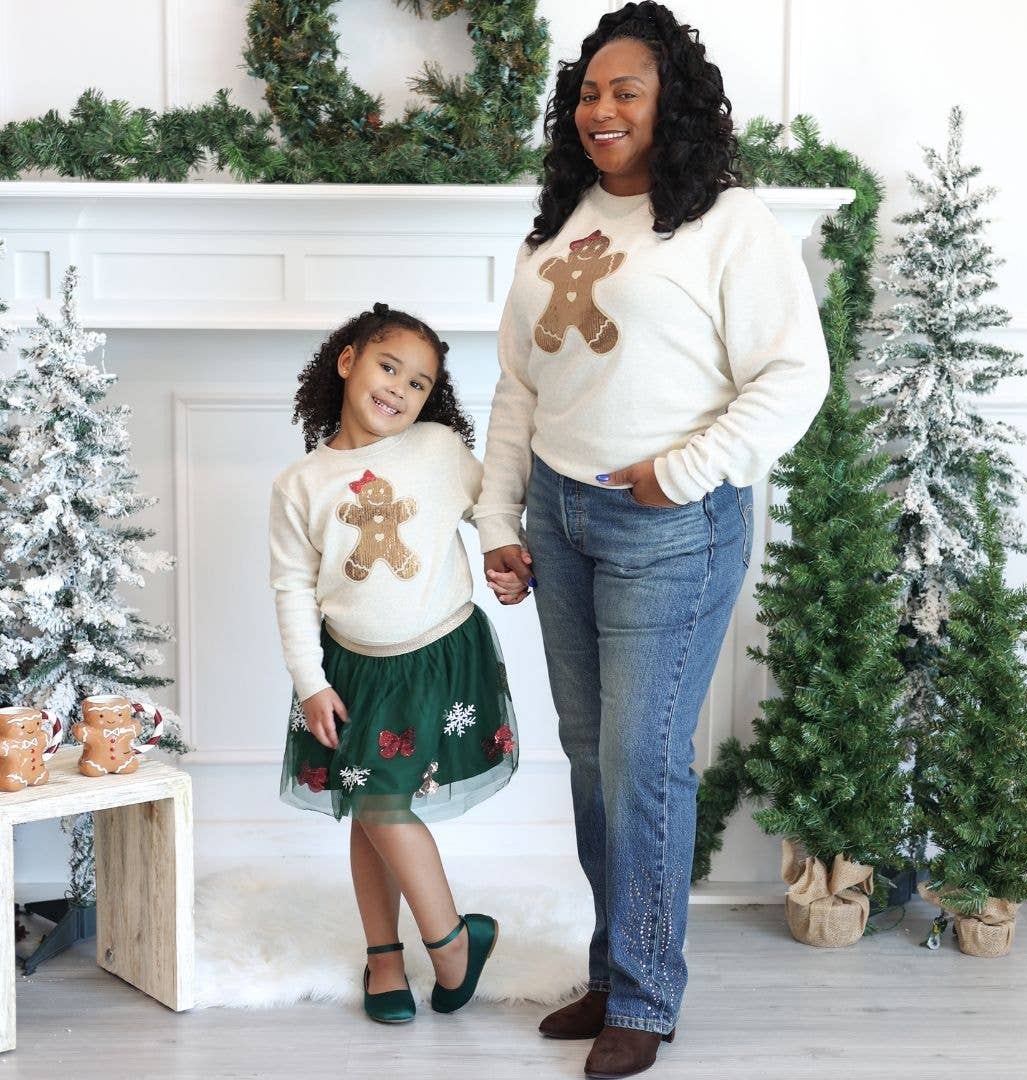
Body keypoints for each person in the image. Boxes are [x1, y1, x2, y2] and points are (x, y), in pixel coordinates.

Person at [476, 3, 829, 1076]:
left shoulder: (728, 223)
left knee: (641, 764)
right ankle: (615, 967)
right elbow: (519, 386)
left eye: (626, 90)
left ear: (670, 102)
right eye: (589, 92)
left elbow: (794, 375)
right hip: (561, 517)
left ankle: (645, 994)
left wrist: (681, 471)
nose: (603, 108)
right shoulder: (558, 226)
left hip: (671, 528)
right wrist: (498, 517)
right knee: (593, 765)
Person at [270, 302, 523, 1024]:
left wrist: (503, 554)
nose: (400, 390)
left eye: (418, 383)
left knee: (379, 805)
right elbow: (291, 588)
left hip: (439, 658)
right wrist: (310, 681)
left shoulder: (437, 449)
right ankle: (399, 954)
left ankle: (440, 946)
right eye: (389, 368)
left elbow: (490, 504)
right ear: (348, 361)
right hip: (351, 670)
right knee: (371, 805)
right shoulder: (301, 484)